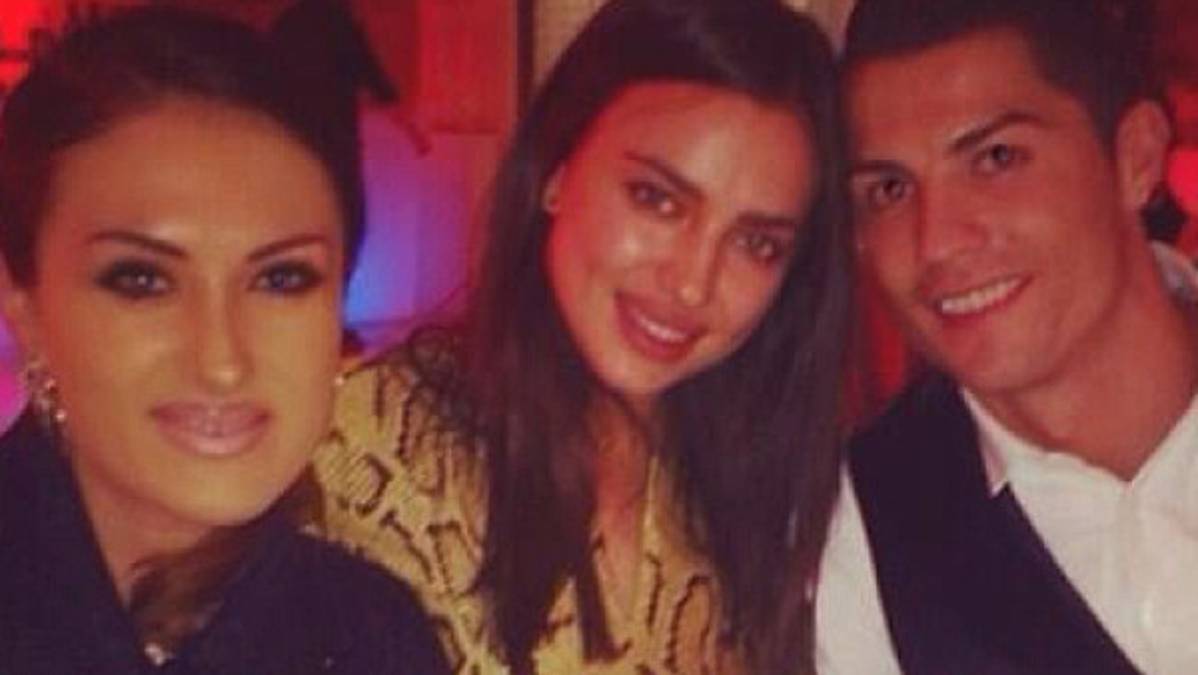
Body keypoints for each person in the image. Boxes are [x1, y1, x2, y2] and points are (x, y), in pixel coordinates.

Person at [313, 0, 852, 672]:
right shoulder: (373, 442)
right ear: (556, 169)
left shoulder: (760, 495)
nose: (692, 283)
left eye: (756, 243)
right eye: (657, 199)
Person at [0, 7, 448, 673]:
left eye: (282, 278)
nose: (222, 361)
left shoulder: (372, 633)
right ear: (24, 301)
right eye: (142, 280)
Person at [816, 0, 1198, 673]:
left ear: (1135, 158)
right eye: (890, 189)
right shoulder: (858, 535)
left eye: (995, 158)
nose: (937, 241)